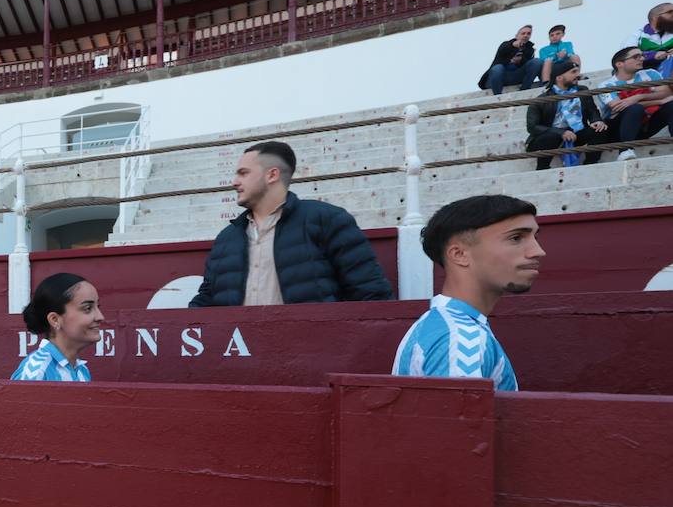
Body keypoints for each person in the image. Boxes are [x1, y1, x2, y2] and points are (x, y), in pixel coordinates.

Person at [188, 141, 392, 307]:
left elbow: (372, 295)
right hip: (239, 354)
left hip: (311, 352)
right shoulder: (227, 238)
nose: (234, 182)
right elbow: (206, 302)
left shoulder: (327, 220)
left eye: (243, 173)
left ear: (272, 175)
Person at [393, 195, 544, 391]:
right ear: (459, 254)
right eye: (516, 238)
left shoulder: (447, 326)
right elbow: (455, 421)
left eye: (535, 238)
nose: (538, 251)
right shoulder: (460, 338)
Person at [12, 273, 102, 382]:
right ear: (55, 319)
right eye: (87, 308)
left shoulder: (81, 370)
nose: (100, 317)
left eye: (98, 307)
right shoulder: (36, 373)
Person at [524, 59, 610, 170]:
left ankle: (590, 163)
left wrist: (596, 121)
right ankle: (542, 168)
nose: (578, 75)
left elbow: (592, 111)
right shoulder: (542, 99)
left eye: (577, 71)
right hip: (550, 136)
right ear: (559, 78)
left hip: (576, 132)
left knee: (600, 129)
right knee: (551, 137)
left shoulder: (583, 91)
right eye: (573, 72)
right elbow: (532, 127)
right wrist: (561, 132)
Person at [595, 46, 673, 161]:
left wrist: (638, 97)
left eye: (642, 55)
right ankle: (625, 150)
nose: (641, 59)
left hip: (644, 126)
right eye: (636, 56)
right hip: (617, 131)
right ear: (619, 64)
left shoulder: (651, 73)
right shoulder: (606, 85)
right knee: (635, 109)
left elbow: (666, 93)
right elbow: (618, 106)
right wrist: (659, 101)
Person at [479, 25, 541, 95]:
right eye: (523, 33)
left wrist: (519, 61)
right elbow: (502, 50)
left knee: (537, 61)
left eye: (528, 33)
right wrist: (513, 46)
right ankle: (498, 96)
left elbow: (529, 69)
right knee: (497, 68)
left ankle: (524, 91)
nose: (526, 35)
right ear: (517, 36)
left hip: (516, 76)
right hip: (497, 78)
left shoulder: (530, 50)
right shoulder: (506, 44)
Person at [625, 2, 673, 78]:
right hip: (646, 73)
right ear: (655, 17)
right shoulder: (638, 35)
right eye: (670, 12)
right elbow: (627, 55)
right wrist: (653, 55)